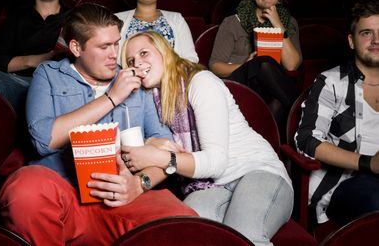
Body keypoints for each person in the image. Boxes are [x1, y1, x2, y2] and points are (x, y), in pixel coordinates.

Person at [0, 4, 197, 246]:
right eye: (104, 47)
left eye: (116, 43)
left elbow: (166, 150)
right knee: (25, 189)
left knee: (187, 224)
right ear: (76, 47)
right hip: (64, 194)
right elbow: (44, 140)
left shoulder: (133, 79)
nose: (115, 54)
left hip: (122, 198)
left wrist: (139, 184)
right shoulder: (48, 74)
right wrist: (112, 97)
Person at [121, 30, 294, 246]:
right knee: (189, 233)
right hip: (212, 186)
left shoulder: (201, 82)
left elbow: (215, 163)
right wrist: (150, 145)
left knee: (246, 235)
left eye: (144, 53)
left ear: (164, 51)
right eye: (130, 61)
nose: (137, 63)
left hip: (257, 171)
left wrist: (159, 156)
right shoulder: (152, 98)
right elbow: (156, 143)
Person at [295, 0, 379, 227]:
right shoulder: (331, 82)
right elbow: (307, 141)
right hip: (345, 184)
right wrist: (368, 163)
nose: (376, 40)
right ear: (352, 41)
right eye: (366, 33)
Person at [209, 0, 302, 140]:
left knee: (277, 103)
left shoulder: (290, 23)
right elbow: (215, 66)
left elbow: (292, 64)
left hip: (273, 88)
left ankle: (267, 152)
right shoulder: (232, 23)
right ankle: (304, 115)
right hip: (241, 84)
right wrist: (247, 64)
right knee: (263, 61)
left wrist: (277, 24)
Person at [115, 0, 198, 63]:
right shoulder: (117, 20)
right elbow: (113, 60)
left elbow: (191, 58)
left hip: (172, 77)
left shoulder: (177, 19)